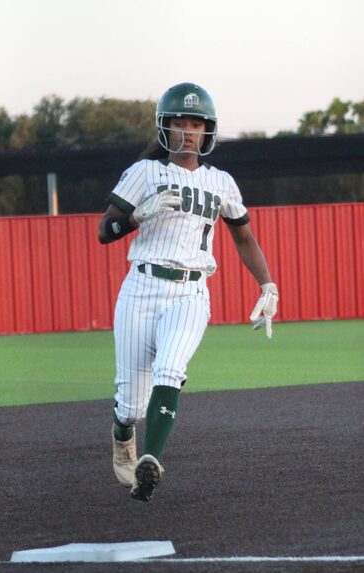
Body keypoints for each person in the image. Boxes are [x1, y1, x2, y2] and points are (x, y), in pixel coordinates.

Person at [98, 82, 278, 502]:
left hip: (191, 293)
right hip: (141, 287)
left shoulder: (222, 182)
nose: (187, 132)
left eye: (196, 124)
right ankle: (123, 433)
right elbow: (104, 231)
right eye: (179, 123)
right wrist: (135, 218)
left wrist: (267, 282)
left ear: (207, 131)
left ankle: (150, 461)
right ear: (164, 128)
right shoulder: (145, 172)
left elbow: (244, 238)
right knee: (130, 401)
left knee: (171, 370)